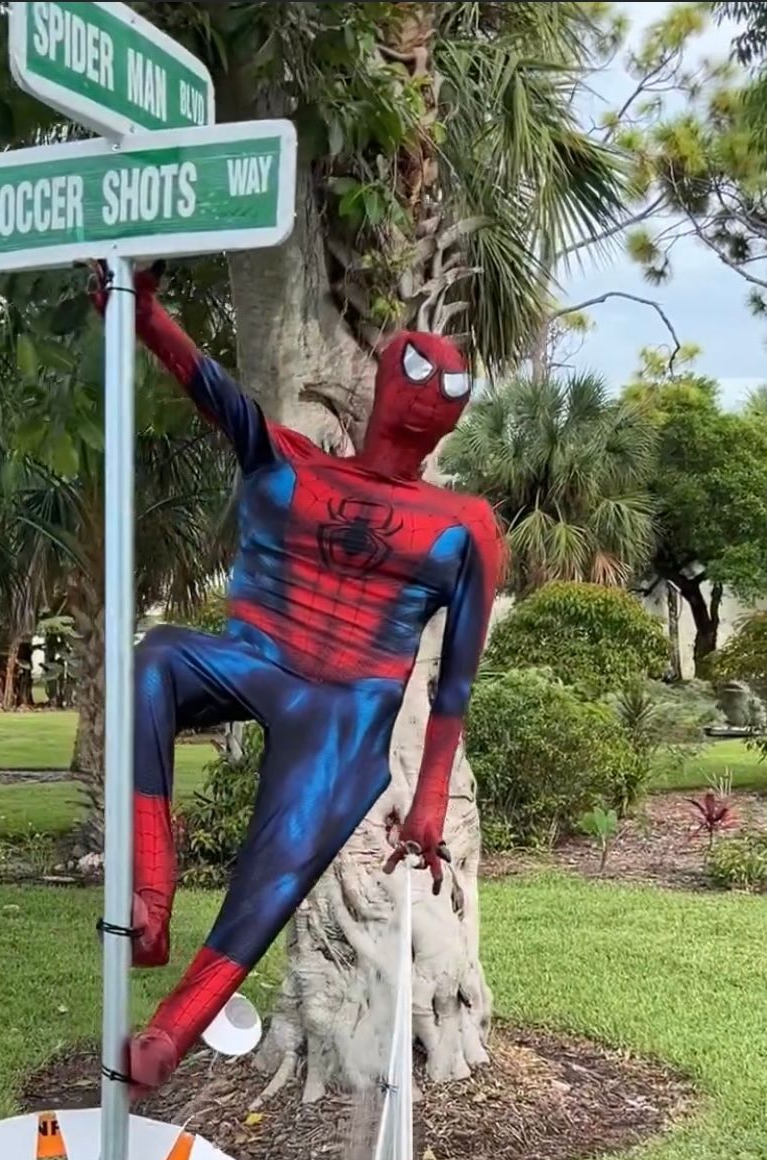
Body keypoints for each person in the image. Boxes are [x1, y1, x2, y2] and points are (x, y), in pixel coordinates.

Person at [90, 263, 504, 1092]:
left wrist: (426, 800)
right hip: (260, 658)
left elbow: (456, 679)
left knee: (275, 872)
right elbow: (210, 388)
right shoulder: (290, 461)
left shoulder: (466, 525)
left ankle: (172, 1032)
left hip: (348, 713)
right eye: (419, 369)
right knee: (156, 659)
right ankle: (152, 893)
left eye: (453, 383)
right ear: (386, 379)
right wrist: (138, 311)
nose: (432, 391)